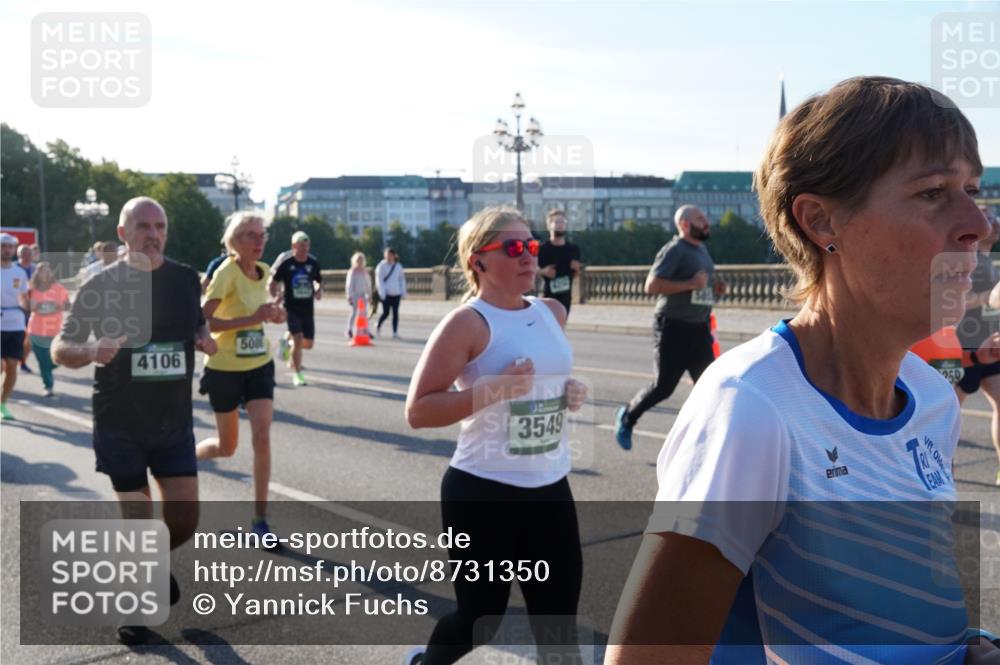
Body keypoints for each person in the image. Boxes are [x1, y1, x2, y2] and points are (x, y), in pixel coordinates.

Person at [605, 77, 1000, 665]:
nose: (979, 224)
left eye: (972, 189)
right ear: (822, 222)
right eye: (933, 192)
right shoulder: (754, 407)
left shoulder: (931, 399)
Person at [404, 207, 589, 665]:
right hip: (483, 491)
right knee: (480, 617)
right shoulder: (467, 323)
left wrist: (565, 392)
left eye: (531, 246)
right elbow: (419, 410)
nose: (528, 256)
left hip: (549, 488)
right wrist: (492, 389)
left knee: (558, 623)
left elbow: (541, 382)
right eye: (513, 248)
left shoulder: (552, 311)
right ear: (477, 261)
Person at [51, 197, 217, 645]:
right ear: (123, 234)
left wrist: (204, 338)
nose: (153, 233)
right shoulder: (100, 285)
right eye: (142, 225)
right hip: (119, 421)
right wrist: (90, 351)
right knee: (139, 519)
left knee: (185, 518)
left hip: (173, 420)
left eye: (159, 225)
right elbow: (60, 349)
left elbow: (195, 326)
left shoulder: (185, 280)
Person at [197, 212, 285, 543]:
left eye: (262, 235)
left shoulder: (263, 272)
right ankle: (191, 458)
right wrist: (250, 318)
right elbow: (203, 322)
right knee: (227, 446)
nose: (259, 241)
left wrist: (273, 315)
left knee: (262, 437)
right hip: (224, 368)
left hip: (259, 364)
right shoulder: (226, 273)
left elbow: (261, 315)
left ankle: (260, 521)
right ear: (235, 241)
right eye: (250, 235)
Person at [614, 205, 727, 450]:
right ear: (685, 224)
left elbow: (701, 287)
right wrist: (690, 283)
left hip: (699, 328)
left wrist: (714, 287)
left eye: (705, 217)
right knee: (663, 387)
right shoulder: (675, 250)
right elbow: (651, 286)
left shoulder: (703, 250)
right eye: (700, 218)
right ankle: (628, 416)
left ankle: (706, 440)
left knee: (710, 384)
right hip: (673, 327)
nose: (706, 222)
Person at [956, 209, 1000, 487]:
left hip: (989, 344)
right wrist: (988, 297)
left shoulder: (988, 259)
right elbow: (952, 300)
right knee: (947, 414)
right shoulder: (961, 258)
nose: (994, 225)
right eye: (990, 220)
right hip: (961, 346)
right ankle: (939, 473)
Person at [269, 230, 322, 386]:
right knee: (298, 340)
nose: (304, 249)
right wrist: (275, 296)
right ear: (293, 246)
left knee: (308, 343)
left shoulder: (313, 263)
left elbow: (318, 280)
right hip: (291, 307)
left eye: (306, 246)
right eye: (301, 246)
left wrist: (318, 289)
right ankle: (298, 374)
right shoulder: (287, 264)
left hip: (307, 308)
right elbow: (273, 282)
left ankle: (287, 344)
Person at [26, 262, 70, 396]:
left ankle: (48, 371)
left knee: (60, 358)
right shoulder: (32, 289)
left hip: (55, 330)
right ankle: (48, 386)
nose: (45, 274)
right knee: (43, 360)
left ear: (51, 273)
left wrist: (53, 307)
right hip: (36, 331)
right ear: (37, 274)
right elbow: (33, 308)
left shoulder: (59, 288)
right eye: (41, 271)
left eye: (47, 271)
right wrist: (51, 306)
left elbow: (67, 305)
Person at [0, 233, 30, 420]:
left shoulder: (19, 273)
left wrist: (30, 312)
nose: (7, 250)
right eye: (3, 246)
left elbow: (24, 298)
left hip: (15, 323)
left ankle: (3, 404)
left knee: (12, 365)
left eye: (10, 246)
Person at [538, 209, 583, 315]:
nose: (560, 225)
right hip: (548, 297)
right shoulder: (542, 249)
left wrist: (578, 269)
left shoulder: (573, 249)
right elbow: (531, 269)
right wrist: (543, 271)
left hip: (566, 297)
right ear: (549, 225)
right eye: (557, 222)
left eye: (563, 222)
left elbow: (577, 273)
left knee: (561, 328)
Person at [375, 247, 406, 339]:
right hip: (386, 293)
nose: (389, 257)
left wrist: (403, 292)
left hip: (396, 293)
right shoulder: (381, 266)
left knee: (395, 313)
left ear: (394, 256)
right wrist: (382, 292)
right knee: (386, 313)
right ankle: (378, 325)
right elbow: (379, 280)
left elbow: (401, 280)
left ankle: (395, 332)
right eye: (387, 255)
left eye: (391, 255)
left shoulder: (398, 266)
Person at [17, 244, 36, 373]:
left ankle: (22, 362)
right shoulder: (13, 269)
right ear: (19, 255)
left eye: (30, 254)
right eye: (25, 254)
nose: (28, 256)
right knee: (17, 336)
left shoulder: (35, 269)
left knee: (30, 337)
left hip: (32, 308)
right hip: (15, 309)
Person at [345, 251, 372, 338]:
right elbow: (349, 285)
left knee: (364, 313)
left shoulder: (364, 272)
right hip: (355, 294)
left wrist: (369, 295)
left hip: (363, 294)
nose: (360, 262)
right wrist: (349, 296)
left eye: (361, 260)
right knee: (354, 312)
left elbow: (368, 284)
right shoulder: (353, 272)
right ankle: (349, 329)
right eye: (358, 260)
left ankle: (366, 330)